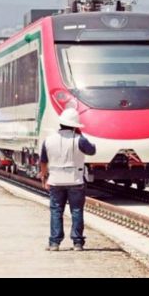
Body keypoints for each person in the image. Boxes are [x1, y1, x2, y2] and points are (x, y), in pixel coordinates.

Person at [38, 107, 96, 251]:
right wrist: (80, 134)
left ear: (61, 123)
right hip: (76, 181)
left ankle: (54, 243)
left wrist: (44, 177)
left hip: (56, 181)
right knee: (76, 211)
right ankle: (77, 243)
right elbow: (92, 150)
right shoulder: (80, 140)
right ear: (75, 126)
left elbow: (43, 161)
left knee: (56, 210)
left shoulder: (48, 140)